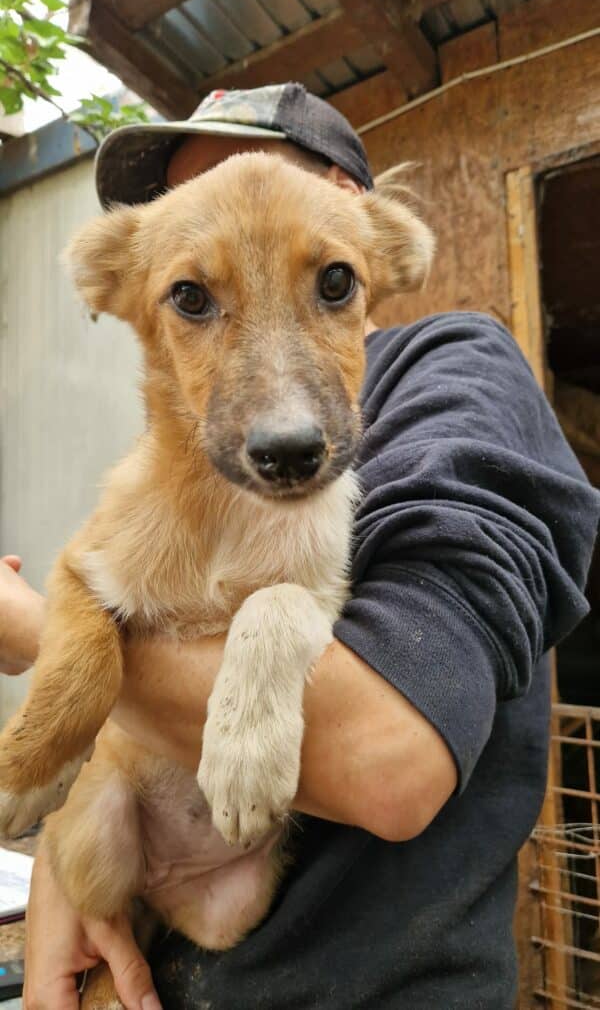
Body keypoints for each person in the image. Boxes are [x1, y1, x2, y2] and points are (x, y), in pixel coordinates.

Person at [2, 83, 598, 1010]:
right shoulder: (171, 466)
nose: (236, 206)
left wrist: (31, 629)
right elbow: (109, 633)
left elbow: (393, 763)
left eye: (324, 281)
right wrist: (61, 892)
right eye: (194, 293)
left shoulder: (459, 374)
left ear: (352, 209)